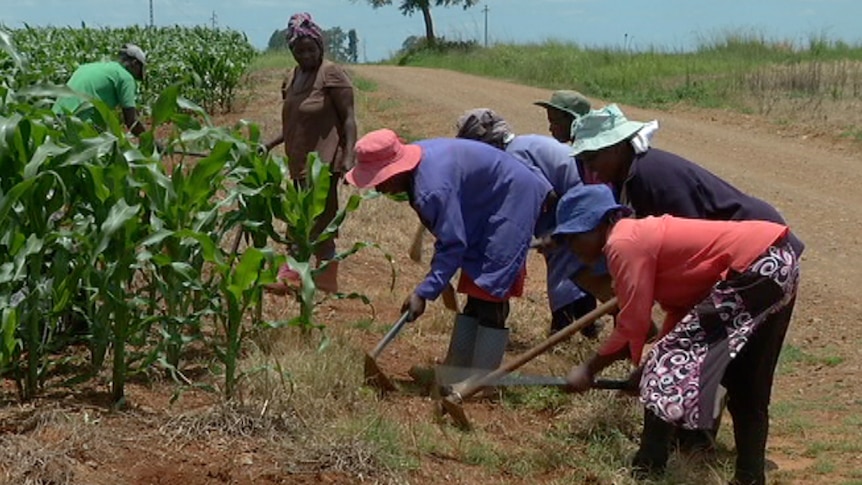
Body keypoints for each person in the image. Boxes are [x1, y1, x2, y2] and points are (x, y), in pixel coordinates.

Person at [570, 103, 805, 455]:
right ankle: (728, 463)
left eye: (593, 158)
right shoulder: (630, 180)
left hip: (748, 259)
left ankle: (657, 461)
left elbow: (696, 245)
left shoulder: (650, 178)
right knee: (738, 377)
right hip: (770, 257)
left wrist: (594, 367)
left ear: (617, 146)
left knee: (677, 359)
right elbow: (686, 289)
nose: (590, 169)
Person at [555, 184, 800, 485]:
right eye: (565, 239)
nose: (573, 246)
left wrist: (588, 370)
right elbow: (681, 316)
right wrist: (646, 368)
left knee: (668, 365)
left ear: (604, 222)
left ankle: (647, 470)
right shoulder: (638, 237)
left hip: (756, 265)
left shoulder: (622, 241)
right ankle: (749, 477)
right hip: (775, 262)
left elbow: (633, 324)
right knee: (744, 381)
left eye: (576, 235)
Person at [345, 128, 554, 385]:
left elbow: (453, 244)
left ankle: (480, 383)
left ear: (397, 169)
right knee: (475, 291)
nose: (378, 187)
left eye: (380, 179)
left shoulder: (431, 189)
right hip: (488, 204)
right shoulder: (419, 172)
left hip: (512, 198)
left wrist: (423, 292)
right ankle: (455, 373)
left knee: (489, 291)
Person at [454, 108, 603, 338]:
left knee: (563, 269)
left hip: (578, 202)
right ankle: (585, 329)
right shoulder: (521, 145)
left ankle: (561, 333)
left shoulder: (513, 156)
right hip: (582, 197)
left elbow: (547, 194)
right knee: (575, 268)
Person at [262, 12, 357, 294]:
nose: (305, 55)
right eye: (299, 50)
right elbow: (291, 125)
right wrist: (267, 144)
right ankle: (292, 277)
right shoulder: (291, 79)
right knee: (297, 219)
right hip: (299, 162)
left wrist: (349, 158)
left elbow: (349, 118)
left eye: (310, 49)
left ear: (320, 46)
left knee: (322, 220)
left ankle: (325, 278)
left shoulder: (331, 74)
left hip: (325, 163)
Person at [53, 43, 148, 136]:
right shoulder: (126, 77)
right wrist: (152, 143)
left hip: (55, 118)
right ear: (135, 64)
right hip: (80, 123)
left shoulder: (89, 67)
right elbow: (131, 122)